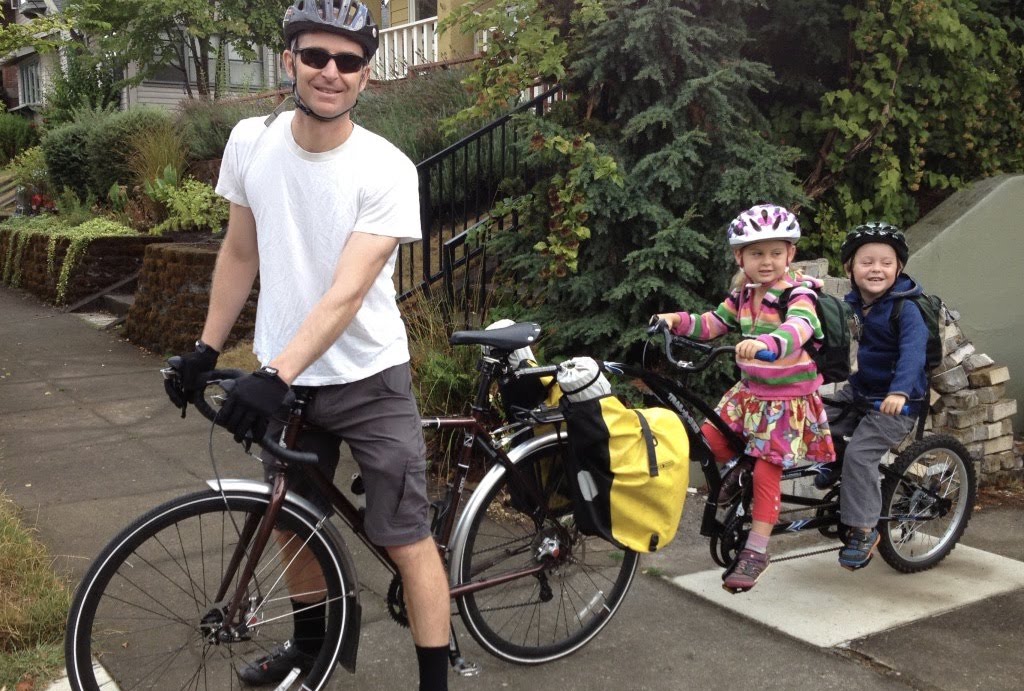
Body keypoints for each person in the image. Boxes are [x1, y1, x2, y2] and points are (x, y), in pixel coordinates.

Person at [163, 1, 451, 688]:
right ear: (288, 60)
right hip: (287, 379)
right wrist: (206, 349)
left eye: (348, 61)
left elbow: (346, 293)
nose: (331, 72)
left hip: (368, 376)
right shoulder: (250, 141)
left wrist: (274, 369)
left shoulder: (386, 168)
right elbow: (239, 250)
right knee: (292, 522)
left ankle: (435, 681)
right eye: (315, 56)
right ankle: (310, 649)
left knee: (405, 537)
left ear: (365, 76)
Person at [654, 203, 835, 593]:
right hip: (750, 393)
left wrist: (768, 343)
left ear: (790, 253)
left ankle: (757, 548)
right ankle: (740, 467)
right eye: (756, 253)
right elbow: (712, 323)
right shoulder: (743, 294)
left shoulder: (799, 293)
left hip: (787, 398)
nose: (766, 261)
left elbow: (800, 327)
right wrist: (675, 321)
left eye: (775, 252)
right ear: (741, 257)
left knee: (768, 467)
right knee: (708, 440)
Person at [816, 222, 926, 571]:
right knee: (817, 423)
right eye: (866, 262)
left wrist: (899, 390)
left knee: (861, 456)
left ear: (899, 268)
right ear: (850, 268)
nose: (876, 269)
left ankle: (864, 529)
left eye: (886, 262)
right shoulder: (850, 306)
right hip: (860, 390)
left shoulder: (907, 309)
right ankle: (836, 464)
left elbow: (913, 353)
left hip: (897, 401)